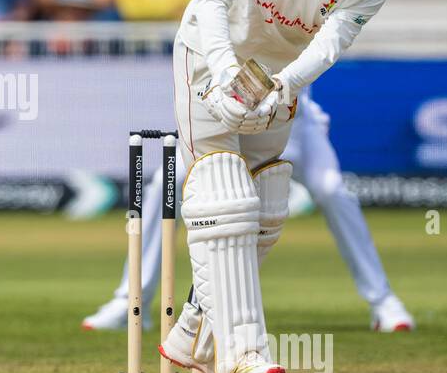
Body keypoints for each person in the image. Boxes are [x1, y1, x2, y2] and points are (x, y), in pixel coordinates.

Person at [157, 0, 390, 373]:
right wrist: (223, 75)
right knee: (223, 195)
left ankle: (192, 332)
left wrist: (283, 86)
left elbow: (329, 45)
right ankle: (244, 355)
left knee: (265, 208)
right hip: (206, 59)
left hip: (274, 83)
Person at [82, 85, 415, 334]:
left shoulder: (293, 11)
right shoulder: (228, 8)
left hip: (294, 122)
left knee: (331, 191)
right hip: (228, 122)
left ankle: (383, 301)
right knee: (165, 182)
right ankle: (132, 302)